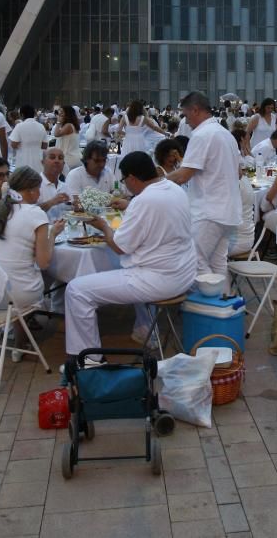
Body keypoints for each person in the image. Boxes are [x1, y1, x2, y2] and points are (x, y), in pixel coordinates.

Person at [63, 152, 198, 356]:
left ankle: (88, 359)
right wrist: (129, 206)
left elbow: (119, 247)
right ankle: (144, 329)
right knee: (112, 265)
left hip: (159, 280)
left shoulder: (144, 200)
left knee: (76, 290)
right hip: (184, 272)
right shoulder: (173, 189)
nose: (125, 186)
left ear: (133, 178)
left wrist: (102, 226)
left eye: (125, 181)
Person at [165, 91, 241, 278]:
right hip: (227, 210)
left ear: (196, 110)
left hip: (210, 211)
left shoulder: (202, 135)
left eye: (186, 114)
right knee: (217, 263)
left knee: (194, 261)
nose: (186, 120)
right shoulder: (226, 134)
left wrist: (156, 182)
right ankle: (223, 302)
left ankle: (213, 301)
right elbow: (239, 173)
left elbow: (184, 175)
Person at [0, 167, 65, 304]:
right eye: (39, 189)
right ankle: (59, 310)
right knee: (57, 275)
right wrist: (53, 234)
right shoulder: (36, 213)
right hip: (19, 292)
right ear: (31, 190)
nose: (39, 194)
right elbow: (43, 263)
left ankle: (19, 323)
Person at [9, 105, 47, 175]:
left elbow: (13, 144)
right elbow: (45, 146)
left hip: (23, 162)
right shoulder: (41, 126)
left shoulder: (19, 126)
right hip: (38, 162)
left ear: (22, 115)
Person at [37, 147, 71, 220]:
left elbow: (72, 210)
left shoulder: (65, 186)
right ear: (43, 162)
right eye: (52, 157)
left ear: (64, 164)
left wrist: (78, 206)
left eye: (60, 158)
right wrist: (51, 202)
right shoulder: (34, 185)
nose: (57, 161)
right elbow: (28, 213)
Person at [53, 105, 81, 171]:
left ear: (67, 114)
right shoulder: (71, 125)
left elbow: (56, 134)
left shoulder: (68, 125)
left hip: (69, 157)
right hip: (73, 156)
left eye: (62, 112)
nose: (59, 114)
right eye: (59, 112)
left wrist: (58, 122)